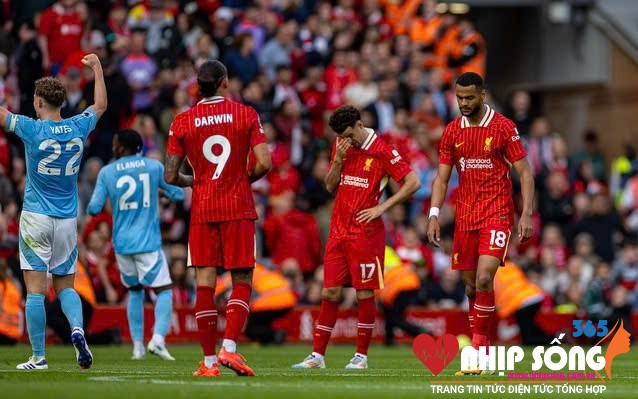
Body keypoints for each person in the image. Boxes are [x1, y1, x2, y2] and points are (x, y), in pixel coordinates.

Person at [164, 60, 272, 377]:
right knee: (241, 280)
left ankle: (210, 363)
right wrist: (241, 179)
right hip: (237, 206)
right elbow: (264, 163)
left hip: (202, 209)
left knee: (204, 285)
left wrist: (197, 182)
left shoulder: (182, 121)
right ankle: (230, 349)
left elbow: (170, 174)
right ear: (224, 83)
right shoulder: (246, 114)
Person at [292, 105, 421, 369]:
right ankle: (317, 356)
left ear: (360, 125)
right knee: (329, 292)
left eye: (350, 134)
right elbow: (330, 186)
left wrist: (382, 208)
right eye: (342, 136)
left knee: (364, 293)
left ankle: (361, 356)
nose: (347, 140)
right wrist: (338, 160)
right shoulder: (342, 145)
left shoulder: (383, 150)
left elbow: (413, 182)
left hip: (366, 232)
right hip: (339, 230)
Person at [0, 53, 107, 370]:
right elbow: (100, 106)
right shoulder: (78, 126)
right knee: (66, 286)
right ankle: (77, 329)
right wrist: (98, 69)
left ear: (37, 101)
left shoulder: (32, 129)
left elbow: (2, 115)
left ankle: (38, 356)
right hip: (67, 220)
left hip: (36, 217)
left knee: (35, 290)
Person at [426, 72, 534, 375]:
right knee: (472, 288)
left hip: (498, 213)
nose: (463, 103)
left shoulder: (502, 127)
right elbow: (442, 177)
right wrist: (434, 213)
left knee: (486, 278)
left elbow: (525, 173)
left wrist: (525, 213)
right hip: (465, 217)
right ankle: (482, 347)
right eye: (459, 97)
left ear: (482, 95)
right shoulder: (451, 132)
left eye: (469, 97)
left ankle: (479, 353)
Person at [87, 129, 184, 360]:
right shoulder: (153, 167)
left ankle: (137, 347)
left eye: (115, 143)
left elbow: (93, 208)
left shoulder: (107, 172)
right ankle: (158, 339)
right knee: (164, 291)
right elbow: (179, 195)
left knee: (135, 291)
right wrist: (159, 192)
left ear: (121, 146)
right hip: (147, 242)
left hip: (122, 244)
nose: (113, 147)